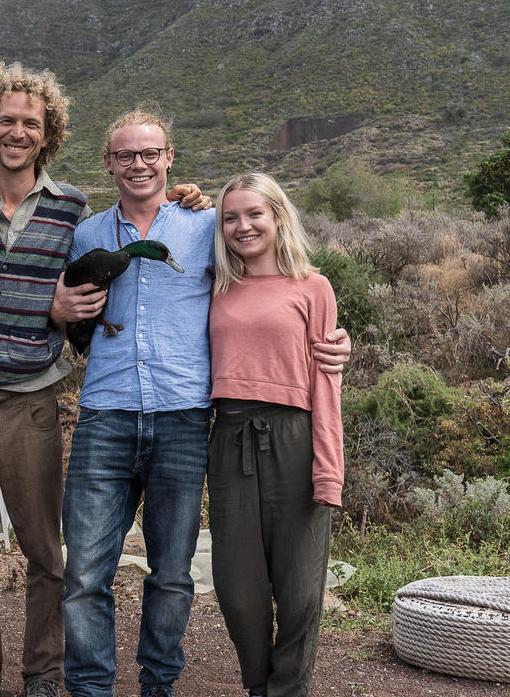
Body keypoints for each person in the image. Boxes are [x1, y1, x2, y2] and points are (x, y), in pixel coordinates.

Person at [0, 64, 210, 697]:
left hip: (62, 399)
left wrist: (323, 321)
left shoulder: (81, 214)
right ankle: (3, 676)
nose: (17, 131)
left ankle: (69, 677)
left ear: (49, 133)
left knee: (74, 557)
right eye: (6, 120)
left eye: (31, 122)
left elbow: (265, 254)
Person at [60, 112, 350, 697]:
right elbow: (67, 301)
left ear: (169, 157)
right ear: (108, 164)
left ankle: (158, 686)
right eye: (124, 156)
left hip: (184, 418)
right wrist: (55, 307)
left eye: (150, 153)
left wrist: (337, 340)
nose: (138, 164)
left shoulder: (202, 228)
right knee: (86, 572)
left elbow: (273, 286)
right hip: (106, 413)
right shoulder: (87, 235)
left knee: (172, 574)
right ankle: (90, 688)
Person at [208, 172, 342, 697]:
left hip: (295, 436)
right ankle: (258, 686)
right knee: (239, 593)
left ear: (278, 216)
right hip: (230, 438)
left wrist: (328, 470)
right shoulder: (213, 283)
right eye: (230, 217)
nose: (243, 226)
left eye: (254, 214)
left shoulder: (313, 286)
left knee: (301, 592)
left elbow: (326, 382)